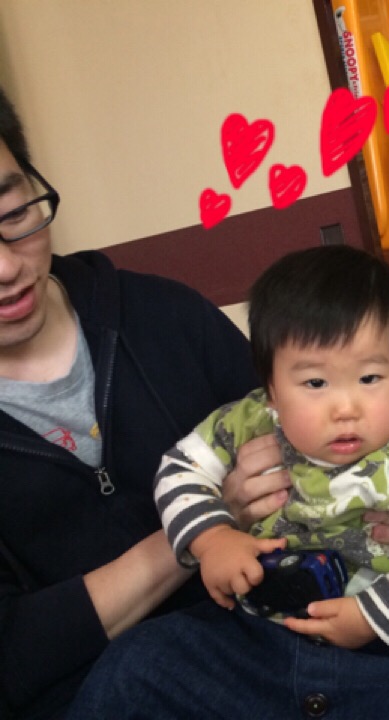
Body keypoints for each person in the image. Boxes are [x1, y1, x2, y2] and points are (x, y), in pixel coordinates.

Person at [68, 245, 389, 719]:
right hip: (249, 628)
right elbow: (179, 470)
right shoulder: (249, 419)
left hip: (374, 643)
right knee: (135, 664)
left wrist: (373, 616)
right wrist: (213, 538)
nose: (346, 408)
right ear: (270, 389)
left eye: (370, 378)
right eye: (315, 383)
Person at [0, 87, 295, 719]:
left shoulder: (163, 315)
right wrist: (203, 525)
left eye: (12, 212)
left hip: (267, 666)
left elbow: (297, 438)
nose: (5, 267)